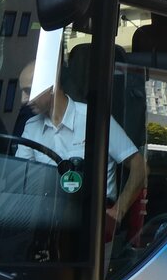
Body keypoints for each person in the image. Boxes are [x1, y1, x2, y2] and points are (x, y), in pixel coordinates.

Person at [15, 60, 146, 236]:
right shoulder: (31, 127)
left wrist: (118, 212)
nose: (23, 100)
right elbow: (22, 179)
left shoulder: (94, 119)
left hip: (94, 222)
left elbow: (140, 167)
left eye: (29, 91)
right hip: (49, 223)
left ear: (51, 86)